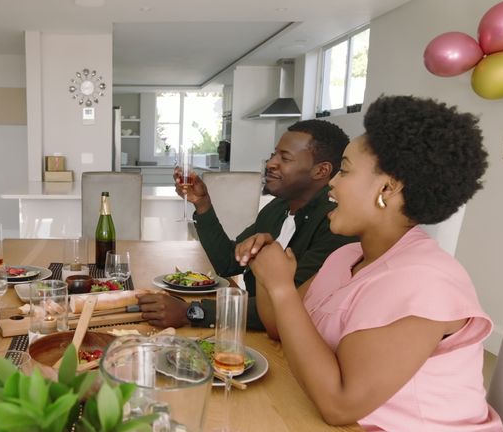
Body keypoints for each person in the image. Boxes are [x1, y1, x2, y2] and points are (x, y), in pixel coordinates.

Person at [243, 95, 503, 432]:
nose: (332, 184)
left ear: (388, 189)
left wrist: (282, 288)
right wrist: (268, 272)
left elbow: (340, 404)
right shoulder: (348, 257)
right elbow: (283, 329)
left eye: (345, 171)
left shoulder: (425, 280)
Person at [137, 119, 355, 330]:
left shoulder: (335, 224)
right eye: (274, 154)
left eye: (285, 158)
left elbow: (290, 306)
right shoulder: (277, 208)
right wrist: (202, 204)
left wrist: (192, 312)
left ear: (321, 171)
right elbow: (228, 262)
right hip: (251, 329)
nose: (270, 163)